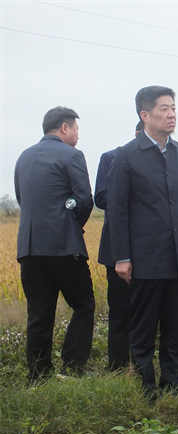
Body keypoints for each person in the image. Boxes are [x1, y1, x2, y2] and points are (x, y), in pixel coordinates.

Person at [108, 86, 178, 398]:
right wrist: (122, 256)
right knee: (144, 326)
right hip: (145, 259)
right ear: (145, 115)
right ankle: (145, 387)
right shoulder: (126, 156)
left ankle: (174, 385)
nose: (171, 114)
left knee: (176, 326)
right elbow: (118, 211)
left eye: (173, 108)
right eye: (164, 108)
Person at [14, 106, 95, 382]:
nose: (77, 135)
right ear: (64, 128)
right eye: (76, 129)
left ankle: (38, 375)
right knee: (84, 305)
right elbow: (84, 200)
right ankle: (72, 368)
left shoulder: (23, 157)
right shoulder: (72, 155)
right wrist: (72, 224)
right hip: (64, 247)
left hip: (30, 248)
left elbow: (22, 199)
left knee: (39, 313)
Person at [94, 121, 143, 370]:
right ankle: (117, 365)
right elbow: (100, 197)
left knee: (146, 311)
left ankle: (142, 363)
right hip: (116, 247)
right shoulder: (111, 158)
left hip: (149, 248)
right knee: (119, 310)